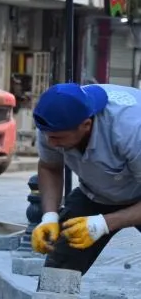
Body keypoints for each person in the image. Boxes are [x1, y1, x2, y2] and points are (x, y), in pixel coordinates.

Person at [31, 82, 141, 272]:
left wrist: (103, 224)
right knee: (60, 266)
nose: (50, 143)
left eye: (58, 138)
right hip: (95, 193)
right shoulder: (53, 125)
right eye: (47, 136)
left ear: (86, 125)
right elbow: (50, 167)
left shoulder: (131, 130)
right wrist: (49, 217)